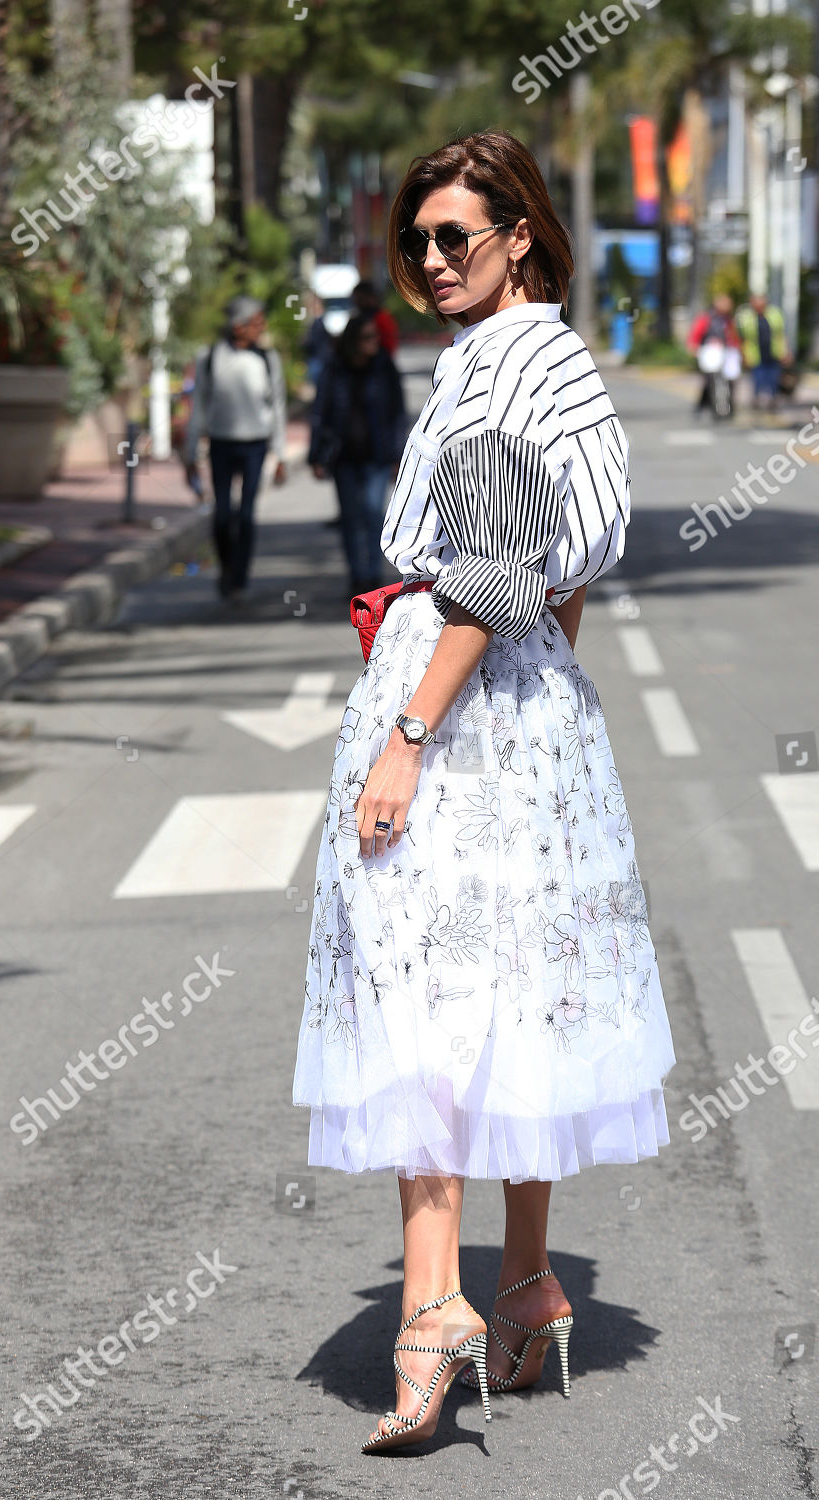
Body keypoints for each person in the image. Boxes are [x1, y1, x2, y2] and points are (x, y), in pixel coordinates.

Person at [291, 128, 677, 1455]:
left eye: (458, 236)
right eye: (419, 242)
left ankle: (432, 1305)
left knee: (422, 993)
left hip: (457, 704)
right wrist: (543, 700)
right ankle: (523, 1284)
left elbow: (501, 570)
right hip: (529, 710)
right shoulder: (550, 363)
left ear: (520, 234)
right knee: (515, 986)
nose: (435, 260)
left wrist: (408, 731)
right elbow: (560, 592)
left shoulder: (508, 372)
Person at [185, 295, 288, 603]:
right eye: (256, 322)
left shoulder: (268, 360)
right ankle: (226, 568)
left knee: (245, 515)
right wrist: (190, 454)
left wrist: (280, 454)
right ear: (238, 326)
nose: (261, 328)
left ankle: (239, 579)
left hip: (255, 445)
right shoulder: (211, 357)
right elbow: (198, 407)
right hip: (221, 444)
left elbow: (278, 407)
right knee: (221, 515)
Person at [309, 312, 407, 595]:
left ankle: (373, 577)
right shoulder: (334, 368)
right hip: (344, 456)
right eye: (367, 337)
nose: (374, 342)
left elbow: (397, 415)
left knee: (374, 514)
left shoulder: (384, 368)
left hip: (376, 455)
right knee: (350, 518)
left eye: (375, 336)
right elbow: (320, 413)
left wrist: (398, 455)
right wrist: (316, 456)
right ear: (353, 341)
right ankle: (358, 576)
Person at [686, 293, 742, 418]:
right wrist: (694, 346)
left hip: (727, 353)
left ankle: (730, 406)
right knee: (710, 380)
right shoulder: (707, 318)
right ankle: (705, 405)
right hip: (710, 353)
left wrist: (738, 348)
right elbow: (696, 334)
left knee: (731, 380)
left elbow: (734, 336)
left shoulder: (729, 320)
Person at [736, 292, 790, 413]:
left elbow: (781, 334)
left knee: (774, 378)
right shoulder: (746, 316)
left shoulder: (775, 314)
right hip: (755, 354)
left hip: (773, 352)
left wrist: (786, 351)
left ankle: (773, 400)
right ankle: (756, 400)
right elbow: (741, 337)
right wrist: (742, 354)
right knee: (757, 379)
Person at [352, 278, 401, 355]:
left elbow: (389, 345)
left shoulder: (381, 318)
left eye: (359, 298)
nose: (356, 302)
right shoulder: (378, 316)